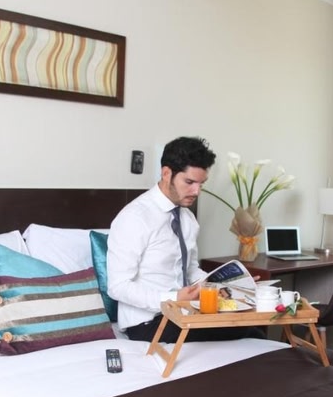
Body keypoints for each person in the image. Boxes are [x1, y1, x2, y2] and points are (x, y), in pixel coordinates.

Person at [108, 136, 264, 343]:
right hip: (147, 323)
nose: (196, 191)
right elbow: (118, 286)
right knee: (249, 333)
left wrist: (231, 284)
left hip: (184, 313)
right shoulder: (134, 218)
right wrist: (173, 298)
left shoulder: (188, 218)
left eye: (201, 184)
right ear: (166, 173)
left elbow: (190, 271)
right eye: (189, 182)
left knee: (251, 327)